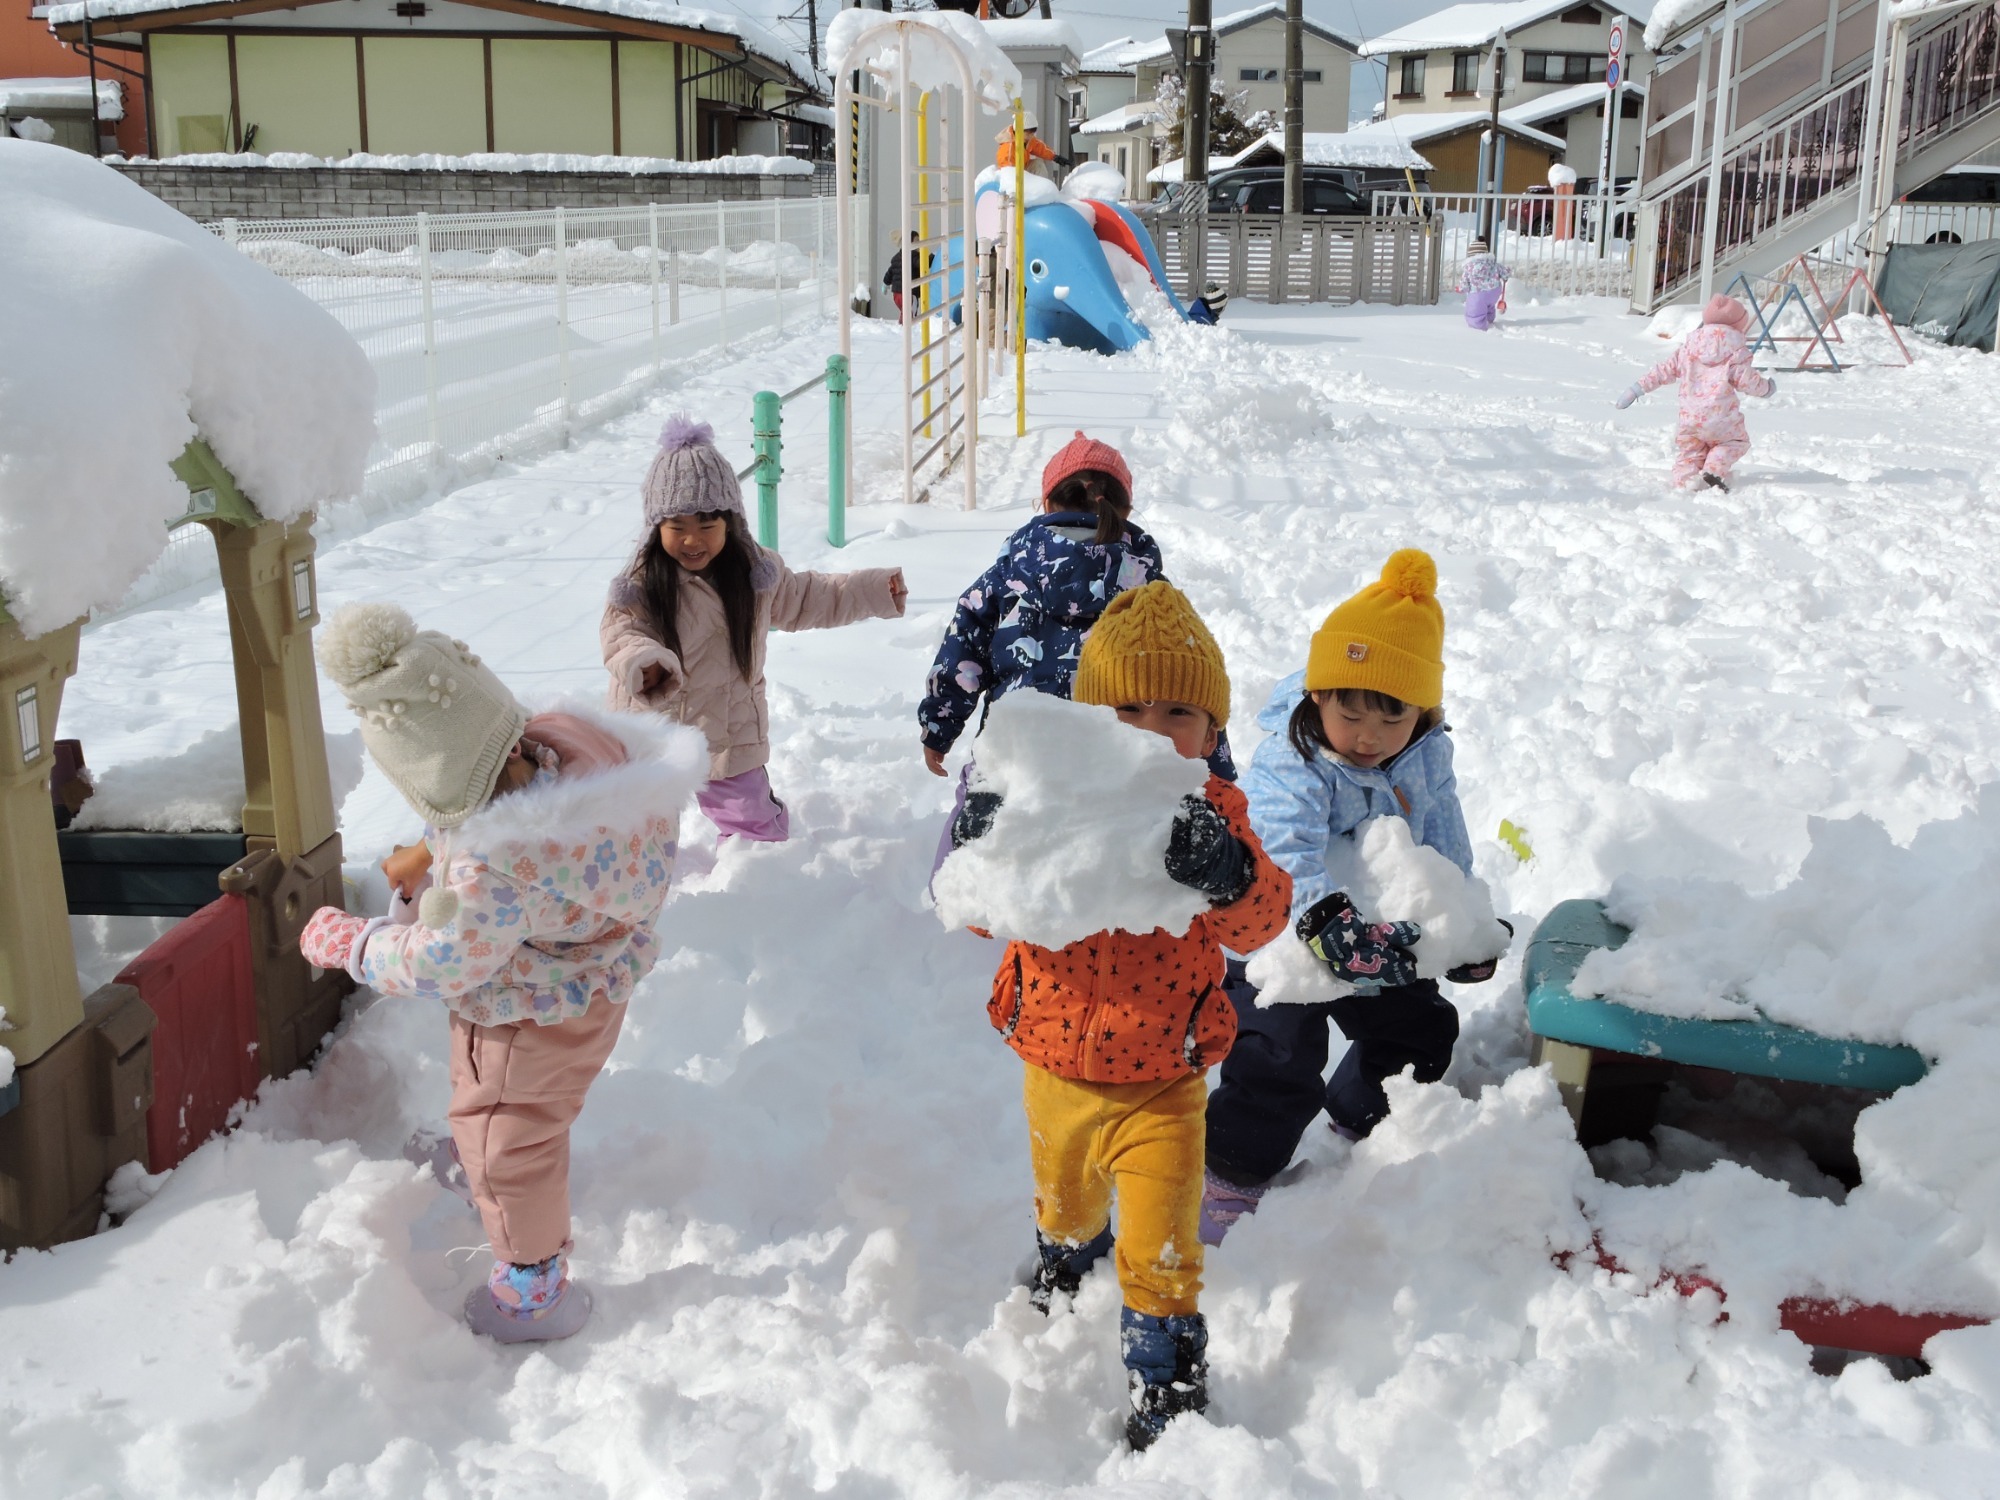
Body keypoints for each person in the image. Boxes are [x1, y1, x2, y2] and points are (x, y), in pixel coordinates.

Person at [298, 602, 704, 1342]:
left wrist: (351, 944)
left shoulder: (501, 868)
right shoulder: (566, 751)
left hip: (527, 1012)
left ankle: (533, 1282)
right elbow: (476, 790)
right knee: (492, 1101)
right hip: (582, 977)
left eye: (441, 814)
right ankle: (481, 1164)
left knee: (509, 1134)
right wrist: (431, 853)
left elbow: (444, 959)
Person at [951, 581, 1291, 1449]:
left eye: (1179, 710)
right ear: (1086, 722)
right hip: (1053, 1060)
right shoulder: (1044, 804)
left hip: (1164, 1080)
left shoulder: (1212, 817)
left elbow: (1262, 923)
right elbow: (982, 907)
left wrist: (1226, 873)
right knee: (1065, 1199)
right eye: (1126, 707)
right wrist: (983, 840)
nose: (1150, 728)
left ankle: (1166, 1364)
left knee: (1163, 1240)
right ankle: (1067, 1248)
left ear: (1211, 736)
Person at [1200, 550, 1505, 1243]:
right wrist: (1326, 925)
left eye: (1392, 715)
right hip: (1280, 934)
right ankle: (1232, 1176)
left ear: (1422, 715)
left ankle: (1360, 1118)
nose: (1368, 735)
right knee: (1276, 1057)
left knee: (1422, 1033)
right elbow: (1282, 847)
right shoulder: (1293, 754)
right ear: (1318, 696)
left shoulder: (1424, 756)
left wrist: (1458, 929)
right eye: (1350, 709)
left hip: (1377, 934)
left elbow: (1442, 839)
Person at [918, 433, 1231, 873]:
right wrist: (1216, 765)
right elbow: (1185, 671)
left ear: (1046, 505)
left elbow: (962, 653)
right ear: (1123, 509)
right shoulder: (1147, 586)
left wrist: (939, 725)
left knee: (969, 860)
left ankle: (959, 896)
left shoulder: (1007, 574)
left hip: (1014, 749)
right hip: (1116, 756)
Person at [602, 415, 907, 842]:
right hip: (653, 731)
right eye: (678, 527)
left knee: (751, 824)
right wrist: (644, 662)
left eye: (707, 525)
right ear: (657, 529)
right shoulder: (640, 584)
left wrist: (873, 590)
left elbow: (811, 597)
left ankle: (761, 880)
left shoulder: (754, 575)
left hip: (728, 731)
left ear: (731, 522)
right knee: (636, 832)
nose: (693, 540)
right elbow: (621, 634)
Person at [1616, 293, 1775, 492]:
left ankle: (1684, 483)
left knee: (1689, 452)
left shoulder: (1688, 349)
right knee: (1735, 442)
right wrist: (1767, 388)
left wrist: (1636, 389)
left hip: (1690, 419)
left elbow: (1663, 371)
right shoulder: (1736, 351)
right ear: (1738, 325)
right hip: (1722, 419)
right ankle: (1714, 469)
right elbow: (1747, 381)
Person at [1456, 237, 1511, 330]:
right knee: (1489, 305)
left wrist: (1460, 289)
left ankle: (1479, 326)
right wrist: (1506, 275)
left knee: (1475, 312)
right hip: (1494, 292)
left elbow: (1465, 284)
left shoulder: (1469, 268)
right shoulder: (1493, 264)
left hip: (1478, 294)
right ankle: (1489, 318)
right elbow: (1505, 273)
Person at [993, 109, 1063, 178]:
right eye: (1028, 133)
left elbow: (1039, 148)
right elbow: (1008, 172)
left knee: (1038, 164)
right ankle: (1033, 188)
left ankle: (1042, 187)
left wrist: (1055, 157)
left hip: (1022, 170)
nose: (1031, 136)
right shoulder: (1008, 149)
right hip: (1013, 178)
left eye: (1033, 133)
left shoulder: (1025, 140)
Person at [882, 230, 925, 317]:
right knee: (910, 315)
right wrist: (932, 257)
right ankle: (906, 328)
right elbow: (922, 263)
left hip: (897, 295)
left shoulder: (896, 257)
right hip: (910, 293)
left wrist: (885, 284)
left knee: (905, 313)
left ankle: (902, 326)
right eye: (916, 241)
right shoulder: (913, 255)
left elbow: (890, 272)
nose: (919, 243)